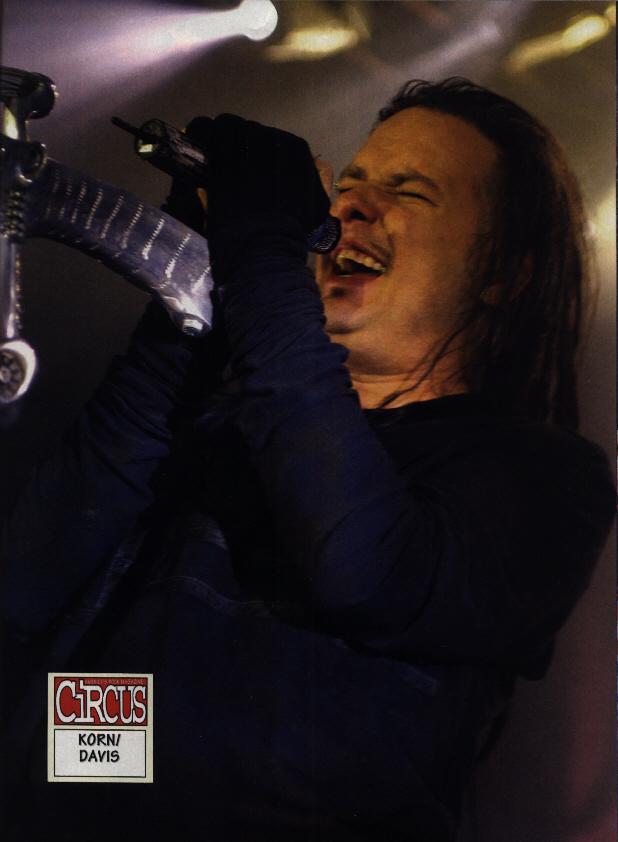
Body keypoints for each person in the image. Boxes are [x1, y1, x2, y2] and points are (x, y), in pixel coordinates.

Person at [0, 78, 614, 841]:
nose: (351, 206)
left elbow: (365, 572)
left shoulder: (545, 477)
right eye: (349, 182)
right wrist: (188, 290)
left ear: (503, 272)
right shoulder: (225, 424)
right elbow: (30, 584)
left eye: (409, 192)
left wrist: (261, 252)